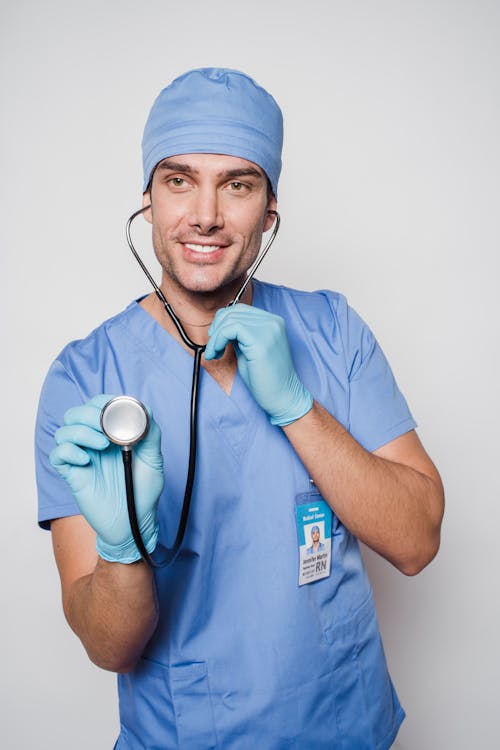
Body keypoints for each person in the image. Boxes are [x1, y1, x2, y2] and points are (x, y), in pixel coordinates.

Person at [35, 68, 444, 750]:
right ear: (148, 199)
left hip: (346, 726)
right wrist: (122, 549)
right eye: (178, 180)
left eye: (238, 184)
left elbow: (417, 543)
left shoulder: (332, 331)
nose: (204, 214)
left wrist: (295, 408)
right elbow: (108, 647)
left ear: (269, 208)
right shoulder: (85, 377)